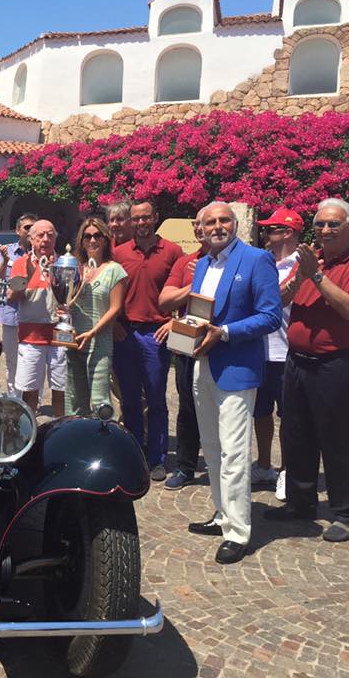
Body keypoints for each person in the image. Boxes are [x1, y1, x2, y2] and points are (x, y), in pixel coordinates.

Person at [265, 198, 349, 543]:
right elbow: (280, 301)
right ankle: (300, 503)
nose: (324, 230)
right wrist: (300, 277)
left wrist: (316, 274)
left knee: (338, 437)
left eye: (333, 225)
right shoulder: (311, 258)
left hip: (336, 363)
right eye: (319, 224)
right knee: (296, 434)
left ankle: (347, 514)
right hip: (297, 360)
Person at [186, 202, 282, 565]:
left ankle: (238, 532)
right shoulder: (203, 264)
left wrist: (224, 332)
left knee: (235, 453)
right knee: (211, 448)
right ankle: (222, 513)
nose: (217, 226)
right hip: (203, 365)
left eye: (223, 219)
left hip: (237, 368)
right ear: (201, 227)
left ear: (235, 223)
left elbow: (270, 316)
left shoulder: (257, 259)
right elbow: (200, 313)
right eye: (209, 221)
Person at [112, 199, 184, 480]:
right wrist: (114, 323)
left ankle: (157, 459)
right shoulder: (118, 253)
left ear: (156, 217)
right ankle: (134, 454)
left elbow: (186, 291)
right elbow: (107, 292)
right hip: (125, 333)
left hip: (156, 333)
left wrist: (173, 321)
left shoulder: (173, 252)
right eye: (136, 218)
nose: (141, 222)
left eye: (145, 217)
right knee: (129, 399)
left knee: (155, 399)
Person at [251, 208, 301, 497]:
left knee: (288, 416)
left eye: (271, 229)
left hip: (286, 351)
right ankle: (264, 464)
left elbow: (277, 299)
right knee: (260, 412)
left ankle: (287, 471)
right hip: (259, 351)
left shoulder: (301, 264)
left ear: (288, 232)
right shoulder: (263, 261)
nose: (266, 234)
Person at [158, 209, 208, 490]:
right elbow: (166, 300)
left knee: (220, 408)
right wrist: (194, 283)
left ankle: (221, 466)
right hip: (187, 341)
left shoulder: (237, 261)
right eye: (197, 224)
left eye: (206, 223)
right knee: (187, 406)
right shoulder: (186, 262)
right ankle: (186, 467)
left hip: (221, 344)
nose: (201, 229)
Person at [64, 217, 127, 415]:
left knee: (101, 403)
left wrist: (92, 332)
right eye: (87, 236)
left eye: (97, 235)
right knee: (75, 402)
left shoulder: (114, 270)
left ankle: (103, 434)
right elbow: (66, 300)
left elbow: (115, 308)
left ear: (105, 239)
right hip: (74, 341)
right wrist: (62, 311)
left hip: (99, 343)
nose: (92, 240)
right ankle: (76, 433)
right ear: (81, 241)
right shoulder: (75, 268)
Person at [7, 219, 66, 415]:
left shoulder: (65, 263)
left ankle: (61, 428)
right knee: (30, 390)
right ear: (31, 239)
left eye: (50, 235)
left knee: (61, 389)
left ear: (56, 238)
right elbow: (11, 297)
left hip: (60, 336)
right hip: (31, 338)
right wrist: (28, 276)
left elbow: (74, 297)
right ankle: (30, 429)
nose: (45, 239)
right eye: (40, 235)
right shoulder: (20, 263)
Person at [0, 213, 35, 396]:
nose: (31, 231)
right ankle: (14, 399)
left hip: (34, 315)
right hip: (12, 313)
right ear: (18, 230)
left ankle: (32, 401)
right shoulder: (7, 251)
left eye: (34, 227)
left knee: (32, 360)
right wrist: (4, 262)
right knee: (12, 360)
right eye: (27, 227)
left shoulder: (42, 253)